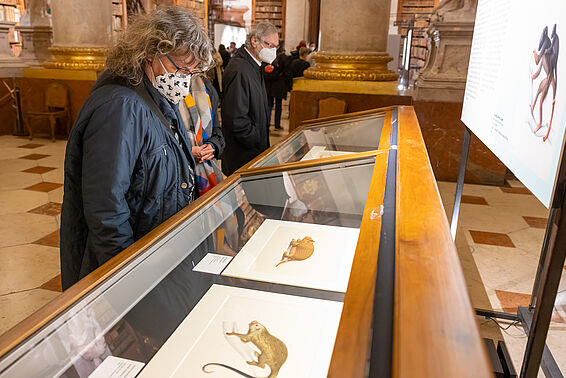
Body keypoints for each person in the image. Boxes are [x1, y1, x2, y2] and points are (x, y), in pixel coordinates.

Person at [60, 6, 213, 290]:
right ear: (151, 52)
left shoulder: (154, 95)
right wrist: (129, 281)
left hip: (158, 251)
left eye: (192, 72)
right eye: (181, 68)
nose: (184, 79)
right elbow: (106, 207)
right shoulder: (121, 106)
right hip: (136, 265)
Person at [220, 22, 279, 176]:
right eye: (270, 45)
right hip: (243, 157)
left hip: (253, 153)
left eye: (276, 46)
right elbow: (236, 120)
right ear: (254, 41)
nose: (273, 50)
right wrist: (257, 140)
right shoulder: (240, 69)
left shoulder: (253, 64)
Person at [263, 46, 290, 130]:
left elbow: (263, 71)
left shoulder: (267, 57)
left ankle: (266, 124)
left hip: (269, 85)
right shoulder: (283, 58)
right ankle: (277, 124)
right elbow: (287, 72)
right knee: (278, 106)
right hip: (279, 85)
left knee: (269, 106)